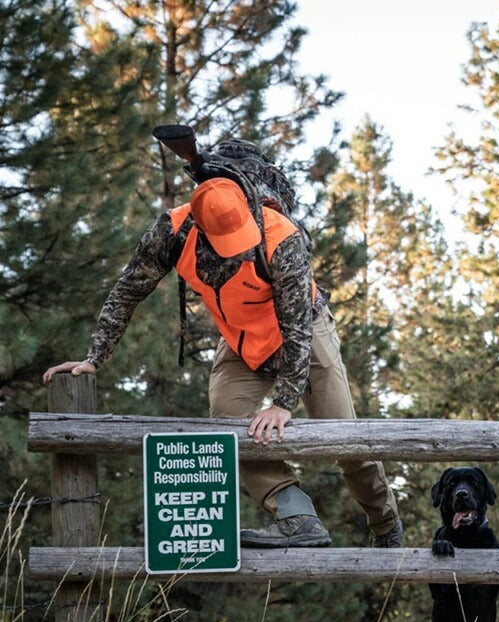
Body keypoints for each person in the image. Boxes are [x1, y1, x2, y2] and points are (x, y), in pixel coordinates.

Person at [43, 160, 402, 549]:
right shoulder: (173, 231)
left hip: (304, 333)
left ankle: (385, 525)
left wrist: (283, 402)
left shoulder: (283, 237)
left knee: (343, 440)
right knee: (228, 423)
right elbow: (128, 290)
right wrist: (94, 357)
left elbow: (296, 325)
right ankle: (296, 515)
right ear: (199, 225)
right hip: (241, 338)